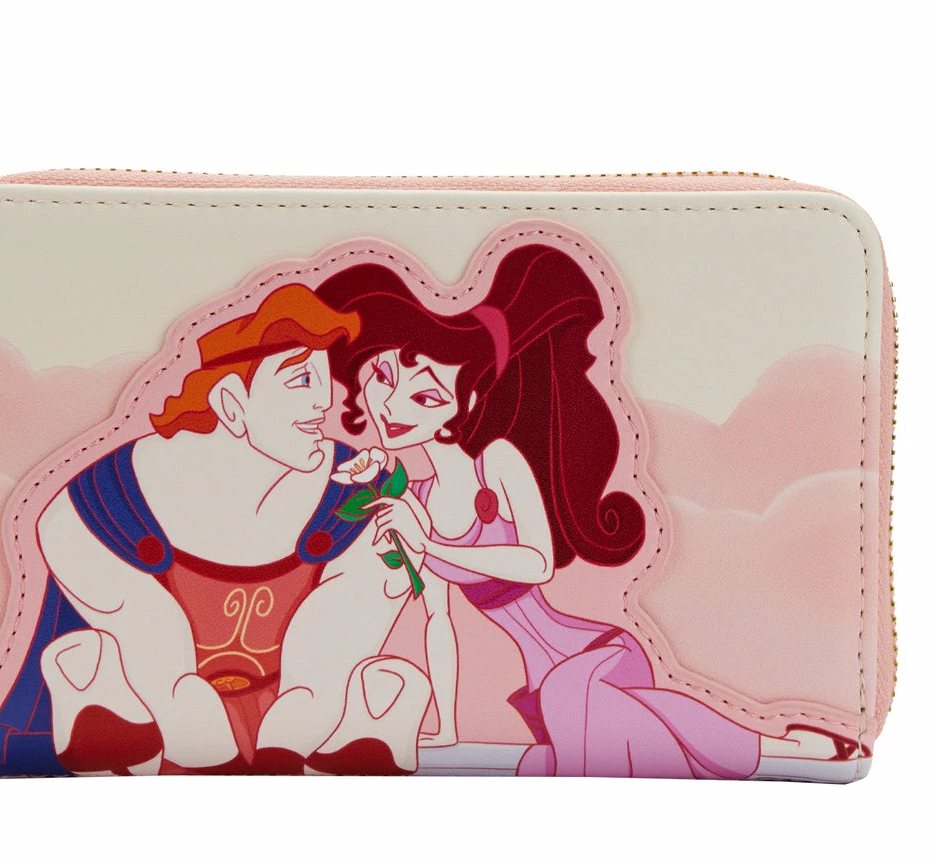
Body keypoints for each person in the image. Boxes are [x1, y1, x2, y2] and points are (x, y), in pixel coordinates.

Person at [310, 243, 861, 778]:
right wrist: (445, 730)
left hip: (594, 654)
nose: (392, 406)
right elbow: (439, 620)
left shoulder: (496, 462)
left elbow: (536, 562)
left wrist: (430, 545)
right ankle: (784, 745)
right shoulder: (417, 500)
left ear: (469, 402)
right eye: (383, 378)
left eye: (427, 396)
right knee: (554, 742)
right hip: (540, 687)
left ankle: (783, 744)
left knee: (573, 702)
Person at [0, 282, 428, 777]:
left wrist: (286, 747)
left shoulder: (363, 498)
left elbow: (324, 668)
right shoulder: (96, 510)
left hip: (295, 721)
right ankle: (103, 701)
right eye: (299, 380)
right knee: (140, 685)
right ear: (231, 403)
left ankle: (365, 721)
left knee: (364, 687)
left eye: (324, 376)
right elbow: (165, 671)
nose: (326, 401)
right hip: (157, 711)